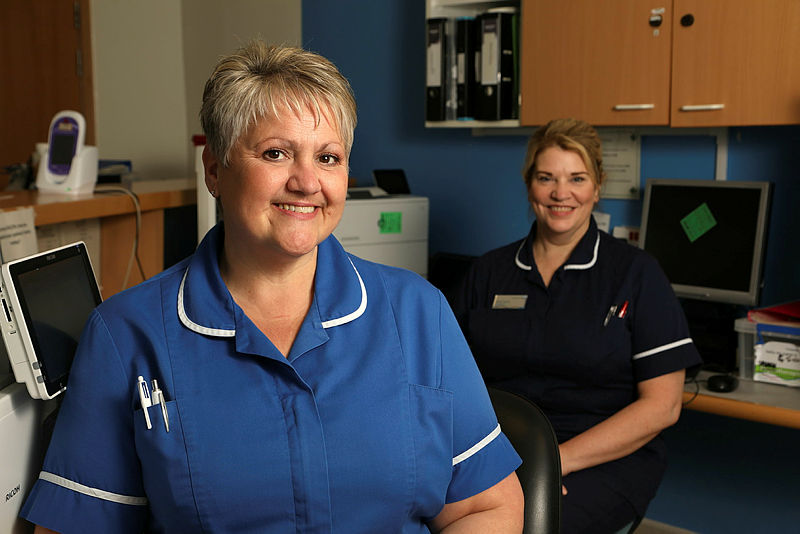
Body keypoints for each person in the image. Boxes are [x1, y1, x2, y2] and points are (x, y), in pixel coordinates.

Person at [21, 41, 523, 534]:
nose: (307, 182)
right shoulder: (126, 334)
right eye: (276, 152)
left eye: (328, 158)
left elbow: (487, 508)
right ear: (215, 170)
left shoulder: (418, 313)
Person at [453, 118, 702, 534]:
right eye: (546, 177)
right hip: (501, 450)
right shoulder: (490, 271)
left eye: (577, 178)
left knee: (532, 527)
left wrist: (553, 463)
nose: (560, 193)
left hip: (601, 457)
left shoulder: (635, 273)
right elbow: (452, 382)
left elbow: (663, 406)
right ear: (529, 184)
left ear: (597, 186)